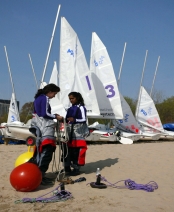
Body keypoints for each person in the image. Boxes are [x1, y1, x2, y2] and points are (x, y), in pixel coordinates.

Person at [29, 83, 63, 185]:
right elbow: (44, 114)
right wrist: (56, 117)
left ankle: (38, 174)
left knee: (40, 150)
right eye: (55, 94)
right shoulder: (44, 98)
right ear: (50, 92)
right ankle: (40, 175)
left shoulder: (38, 98)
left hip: (39, 125)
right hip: (45, 126)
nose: (54, 96)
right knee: (47, 150)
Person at [62, 92, 89, 176]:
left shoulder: (81, 107)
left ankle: (76, 168)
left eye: (72, 98)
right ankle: (67, 167)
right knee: (67, 150)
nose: (71, 100)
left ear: (77, 98)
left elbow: (83, 119)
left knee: (76, 151)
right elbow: (67, 119)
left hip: (78, 132)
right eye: (70, 99)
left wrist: (74, 120)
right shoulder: (70, 108)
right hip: (70, 132)